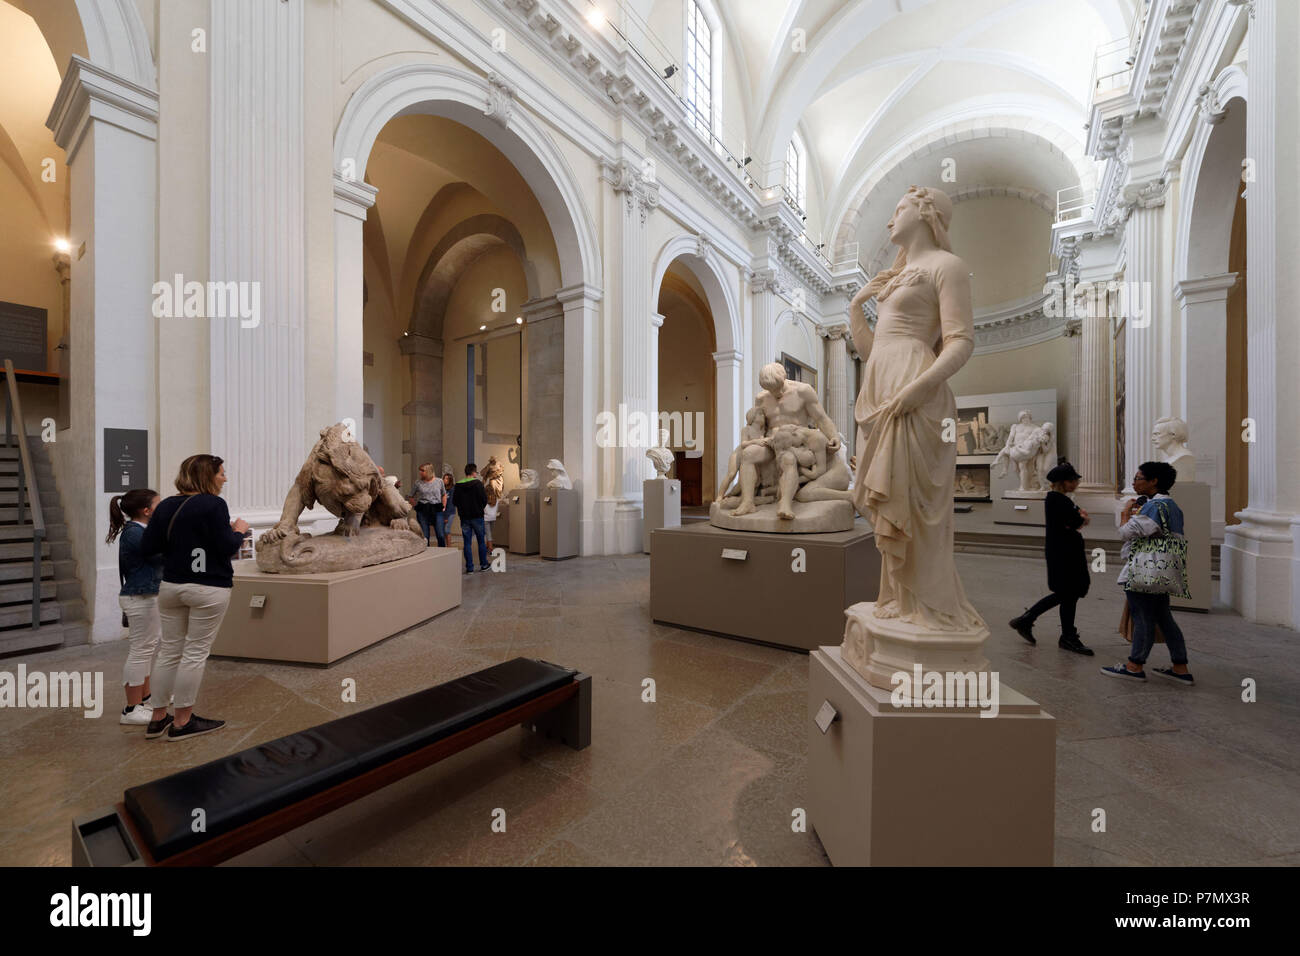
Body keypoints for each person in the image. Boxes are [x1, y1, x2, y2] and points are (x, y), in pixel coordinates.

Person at [140, 454, 248, 741]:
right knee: (195, 654)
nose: (225, 478)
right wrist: (239, 532)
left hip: (172, 586)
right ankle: (183, 721)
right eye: (221, 473)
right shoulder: (214, 504)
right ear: (207, 476)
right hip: (208, 588)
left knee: (169, 651)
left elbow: (148, 546)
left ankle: (157, 718)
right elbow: (227, 547)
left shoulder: (166, 505)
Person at [1101, 461, 1195, 685]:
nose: (1134, 483)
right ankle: (1180, 667)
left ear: (1154, 481)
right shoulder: (1173, 506)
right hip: (1163, 569)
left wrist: (1125, 513)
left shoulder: (1155, 507)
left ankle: (1135, 666)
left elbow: (1125, 533)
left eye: (1138, 478)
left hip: (1145, 569)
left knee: (1142, 617)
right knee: (1164, 618)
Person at [1008, 461, 1094, 655]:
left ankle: (1061, 633)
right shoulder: (1058, 500)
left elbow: (1075, 521)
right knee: (1067, 593)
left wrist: (1079, 519)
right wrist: (1082, 518)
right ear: (1063, 482)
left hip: (1064, 551)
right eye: (1072, 480)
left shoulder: (1059, 499)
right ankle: (1035, 623)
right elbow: (1076, 521)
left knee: (1068, 594)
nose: (1076, 483)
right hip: (1065, 553)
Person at [107, 489, 164, 725]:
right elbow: (159, 556)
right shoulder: (134, 533)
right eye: (158, 505)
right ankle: (131, 709)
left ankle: (145, 699)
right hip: (140, 597)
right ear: (147, 510)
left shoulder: (141, 530)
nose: (162, 509)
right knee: (140, 651)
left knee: (147, 649)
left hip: (145, 596)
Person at [455, 463, 490, 573]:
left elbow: (455, 501)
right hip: (477, 516)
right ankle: (484, 564)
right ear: (474, 472)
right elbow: (484, 499)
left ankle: (469, 567)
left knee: (467, 542)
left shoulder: (458, 485)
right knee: (481, 541)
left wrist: (462, 509)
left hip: (464, 517)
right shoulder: (478, 484)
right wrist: (479, 508)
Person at [408, 463, 445, 546]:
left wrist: (444, 505)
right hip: (423, 509)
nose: (420, 472)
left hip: (436, 508)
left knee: (440, 535)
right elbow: (410, 495)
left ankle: (442, 550)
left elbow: (444, 494)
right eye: (420, 470)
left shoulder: (439, 481)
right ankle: (426, 551)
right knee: (425, 536)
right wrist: (415, 505)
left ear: (428, 471)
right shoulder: (418, 483)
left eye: (422, 470)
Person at [437, 470, 457, 547]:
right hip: (442, 512)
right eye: (444, 478)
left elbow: (451, 504)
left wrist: (446, 517)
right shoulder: (442, 489)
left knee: (447, 530)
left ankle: (449, 546)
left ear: (450, 480)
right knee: (442, 531)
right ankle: (444, 546)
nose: (444, 480)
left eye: (446, 479)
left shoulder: (452, 489)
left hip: (450, 512)